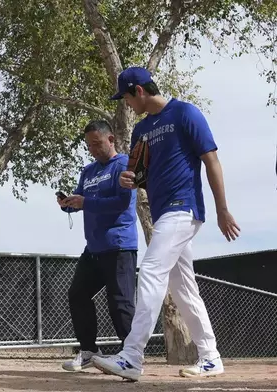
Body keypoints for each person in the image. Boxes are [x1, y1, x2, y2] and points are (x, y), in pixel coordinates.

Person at [91, 67, 240, 381]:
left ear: (139, 91)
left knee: (151, 271)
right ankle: (211, 357)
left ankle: (131, 356)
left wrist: (222, 210)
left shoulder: (185, 113)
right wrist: (130, 179)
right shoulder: (141, 131)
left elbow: (211, 159)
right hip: (162, 213)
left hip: (183, 208)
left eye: (127, 98)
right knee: (183, 288)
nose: (127, 105)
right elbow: (138, 174)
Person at [57, 120, 138, 372]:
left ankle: (131, 357)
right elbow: (81, 200)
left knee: (120, 302)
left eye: (96, 143)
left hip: (119, 244)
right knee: (77, 294)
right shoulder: (88, 171)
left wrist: (86, 202)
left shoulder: (124, 165)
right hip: (93, 248)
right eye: (89, 145)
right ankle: (89, 350)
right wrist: (68, 204)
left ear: (110, 139)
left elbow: (122, 203)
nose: (92, 149)